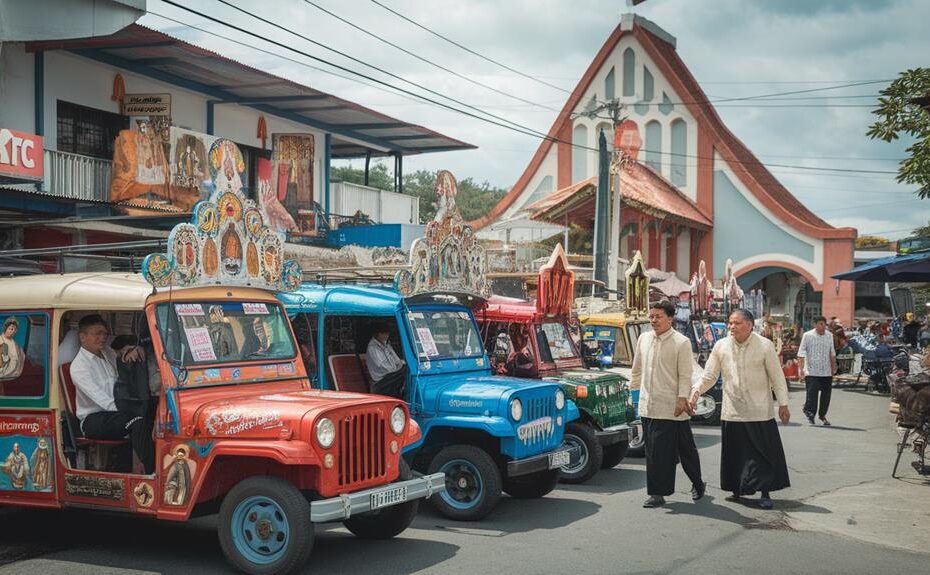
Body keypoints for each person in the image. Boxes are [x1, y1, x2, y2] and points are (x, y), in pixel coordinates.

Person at [692, 309, 790, 510]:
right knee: (735, 453)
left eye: (736, 323)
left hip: (759, 410)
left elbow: (776, 377)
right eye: (730, 323)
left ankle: (765, 492)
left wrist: (783, 404)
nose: (731, 327)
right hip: (732, 410)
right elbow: (709, 375)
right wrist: (695, 392)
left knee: (762, 454)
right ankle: (737, 489)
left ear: (749, 325)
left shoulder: (765, 345)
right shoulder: (721, 346)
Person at [630, 300, 704, 508]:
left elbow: (685, 375)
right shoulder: (643, 339)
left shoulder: (681, 342)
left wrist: (683, 399)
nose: (654, 320)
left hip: (673, 407)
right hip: (650, 406)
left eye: (658, 317)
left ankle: (697, 483)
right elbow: (636, 370)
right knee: (655, 452)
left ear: (670, 319)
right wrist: (633, 395)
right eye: (651, 316)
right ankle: (657, 493)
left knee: (686, 450)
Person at [70, 315, 154, 474]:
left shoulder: (107, 352)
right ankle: (151, 473)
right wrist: (131, 409)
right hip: (93, 419)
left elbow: (122, 353)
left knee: (153, 413)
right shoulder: (79, 367)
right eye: (97, 334)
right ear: (83, 337)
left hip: (116, 412)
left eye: (105, 334)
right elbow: (103, 401)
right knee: (137, 420)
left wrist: (132, 350)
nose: (102, 338)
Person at [798, 316, 837, 426]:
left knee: (826, 395)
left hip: (826, 371)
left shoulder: (829, 336)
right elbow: (801, 353)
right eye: (820, 324)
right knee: (812, 394)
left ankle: (822, 415)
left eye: (824, 324)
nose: (823, 326)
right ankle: (810, 413)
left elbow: (832, 352)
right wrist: (801, 370)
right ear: (815, 325)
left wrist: (834, 366)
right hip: (811, 371)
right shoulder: (807, 336)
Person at [366, 322, 407, 399]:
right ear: (377, 334)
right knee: (404, 374)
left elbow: (397, 360)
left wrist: (401, 365)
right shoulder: (373, 348)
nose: (386, 336)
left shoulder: (387, 345)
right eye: (383, 334)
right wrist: (398, 370)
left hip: (391, 376)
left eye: (387, 334)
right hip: (381, 381)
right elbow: (384, 368)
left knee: (407, 369)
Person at [0, 317, 25, 381]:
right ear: (5, 329)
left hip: (15, 376)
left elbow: (21, 357)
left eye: (14, 330)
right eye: (11, 329)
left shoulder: (16, 345)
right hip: (3, 375)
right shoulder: (0, 340)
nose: (13, 331)